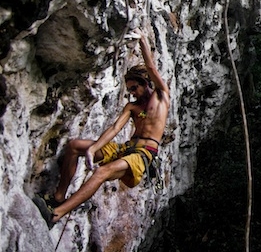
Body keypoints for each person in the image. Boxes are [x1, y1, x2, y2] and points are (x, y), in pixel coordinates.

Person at [33, 29, 170, 228]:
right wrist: (93, 148)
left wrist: (142, 41)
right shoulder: (132, 107)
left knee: (101, 172)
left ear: (145, 83)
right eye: (129, 89)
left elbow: (151, 67)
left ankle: (55, 214)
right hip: (126, 149)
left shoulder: (161, 97)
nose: (132, 93)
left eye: (134, 88)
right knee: (74, 146)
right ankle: (58, 197)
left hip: (143, 154)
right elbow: (115, 128)